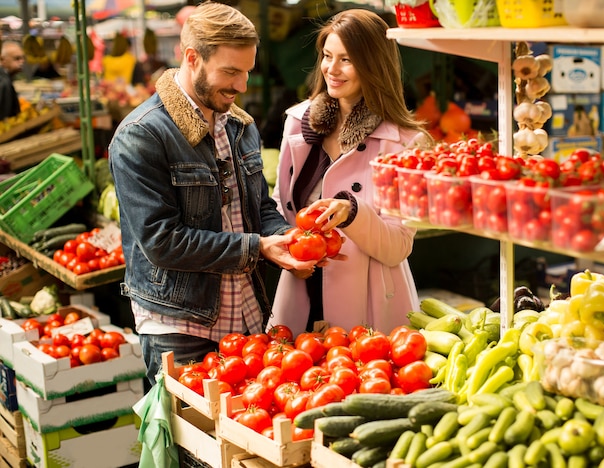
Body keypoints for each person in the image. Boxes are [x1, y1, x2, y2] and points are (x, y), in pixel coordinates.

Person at [108, 1, 318, 386]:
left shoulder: (240, 126)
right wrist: (257, 248)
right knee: (192, 444)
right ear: (192, 58)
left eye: (247, 72)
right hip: (181, 326)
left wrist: (284, 236)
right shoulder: (142, 135)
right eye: (231, 72)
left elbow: (258, 206)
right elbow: (162, 242)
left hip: (249, 314)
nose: (242, 86)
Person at [270, 9, 433, 336]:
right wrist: (287, 250)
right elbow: (280, 207)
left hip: (367, 308)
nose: (331, 69)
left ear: (373, 65)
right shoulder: (296, 124)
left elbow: (398, 246)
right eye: (327, 56)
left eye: (346, 60)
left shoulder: (405, 144)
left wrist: (353, 213)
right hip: (299, 296)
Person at [0, 41, 24, 120]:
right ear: (2, 59)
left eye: (22, 58)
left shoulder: (6, 78)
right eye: (17, 58)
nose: (22, 62)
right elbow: (5, 118)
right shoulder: (4, 82)